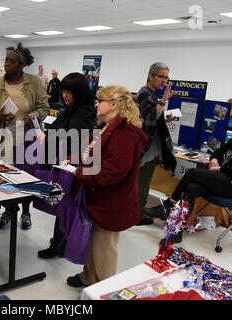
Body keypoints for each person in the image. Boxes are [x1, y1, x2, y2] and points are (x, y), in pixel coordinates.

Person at [65, 85, 148, 287]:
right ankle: (89, 277)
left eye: (100, 101)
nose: (96, 104)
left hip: (112, 202)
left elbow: (112, 172)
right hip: (97, 198)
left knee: (104, 250)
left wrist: (79, 173)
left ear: (113, 105)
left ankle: (105, 288)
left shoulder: (125, 135)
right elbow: (89, 155)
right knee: (93, 244)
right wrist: (72, 160)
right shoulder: (104, 127)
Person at [150, 105, 232, 244]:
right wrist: (214, 159)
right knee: (193, 188)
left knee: (192, 172)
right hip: (225, 179)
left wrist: (222, 169)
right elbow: (218, 151)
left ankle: (168, 205)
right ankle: (177, 231)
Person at [0, 42, 49, 230]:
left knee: (26, 177)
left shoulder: (34, 83)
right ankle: (8, 210)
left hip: (27, 141)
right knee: (5, 177)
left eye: (12, 61)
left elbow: (44, 108)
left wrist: (31, 117)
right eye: (6, 60)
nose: (7, 64)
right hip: (3, 140)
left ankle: (26, 212)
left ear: (22, 64)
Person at [37, 72, 96, 259]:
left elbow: (73, 139)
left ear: (78, 92)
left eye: (69, 92)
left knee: (65, 207)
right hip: (64, 163)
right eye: (63, 91)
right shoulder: (71, 110)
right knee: (62, 207)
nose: (65, 96)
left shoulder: (85, 112)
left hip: (71, 167)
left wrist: (50, 137)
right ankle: (59, 244)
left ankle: (59, 246)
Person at [135, 62, 177, 226]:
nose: (164, 81)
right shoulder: (145, 94)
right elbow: (149, 119)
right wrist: (163, 101)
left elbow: (150, 118)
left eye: (166, 78)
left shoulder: (149, 94)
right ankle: (138, 215)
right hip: (148, 148)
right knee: (143, 181)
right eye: (161, 77)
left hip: (149, 146)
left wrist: (164, 118)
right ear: (150, 76)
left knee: (142, 181)